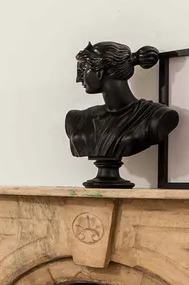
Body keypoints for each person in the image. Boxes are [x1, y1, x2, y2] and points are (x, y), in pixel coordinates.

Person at [65, 42, 179, 186]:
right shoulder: (76, 119)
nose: (78, 79)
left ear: (100, 72)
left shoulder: (156, 116)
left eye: (83, 70)